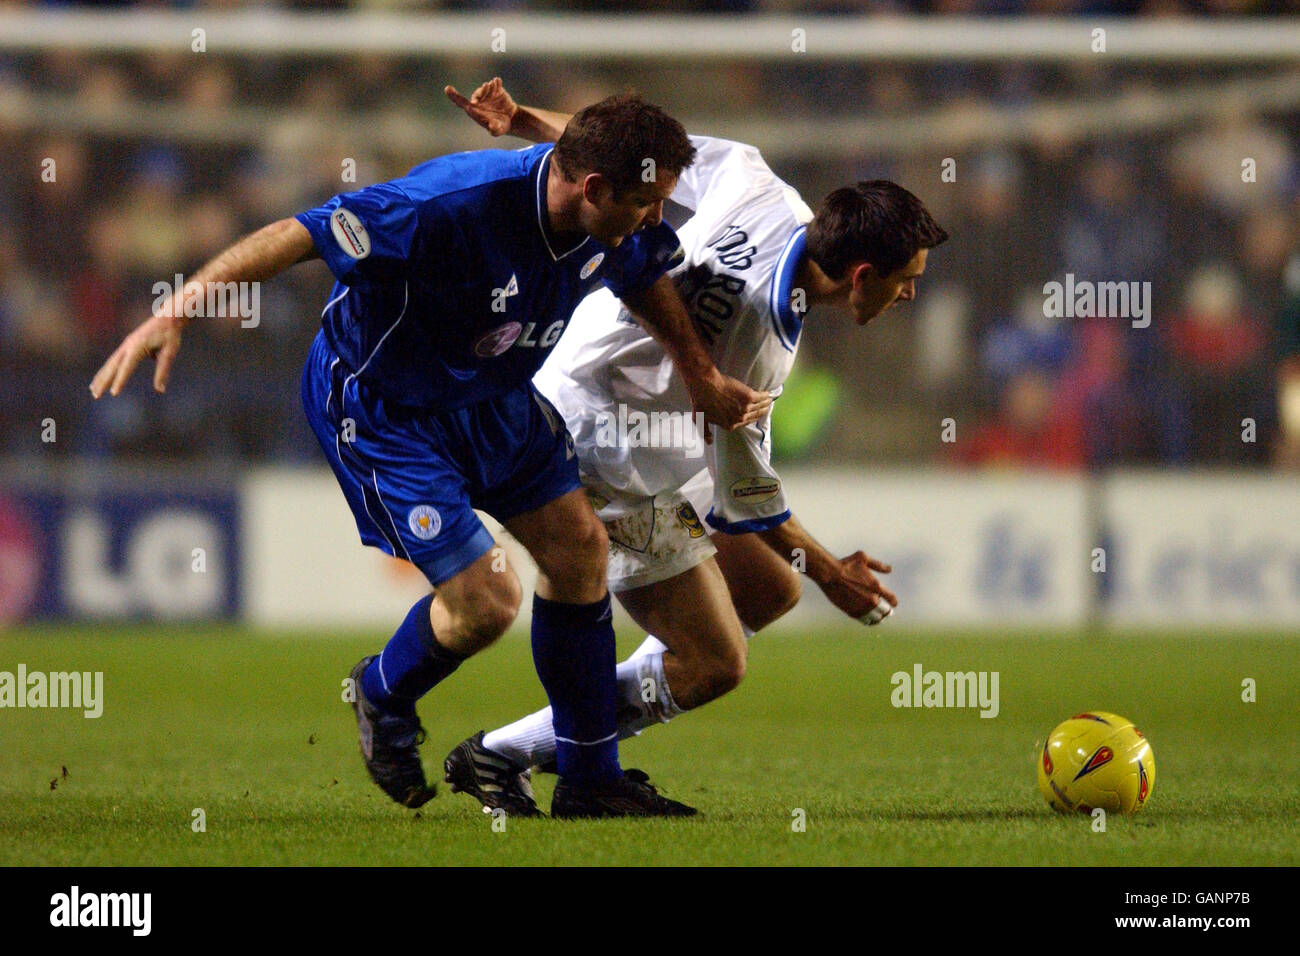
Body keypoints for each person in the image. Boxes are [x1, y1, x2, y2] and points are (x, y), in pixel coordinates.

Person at [89, 92, 771, 819]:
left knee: (579, 551)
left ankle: (590, 779)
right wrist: (177, 310)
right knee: (486, 604)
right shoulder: (447, 203)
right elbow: (297, 234)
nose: (656, 218)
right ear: (593, 188)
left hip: (493, 399)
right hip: (386, 408)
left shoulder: (616, 217)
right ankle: (382, 692)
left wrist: (701, 375)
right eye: (645, 202)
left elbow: (642, 277)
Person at [439, 79, 948, 816]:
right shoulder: (761, 346)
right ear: (862, 275)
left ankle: (560, 753)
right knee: (716, 662)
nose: (909, 296)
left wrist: (524, 121)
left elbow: (629, 159)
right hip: (598, 437)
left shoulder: (755, 180)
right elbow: (750, 505)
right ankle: (510, 756)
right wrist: (834, 574)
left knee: (770, 589)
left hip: (619, 409)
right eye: (907, 282)